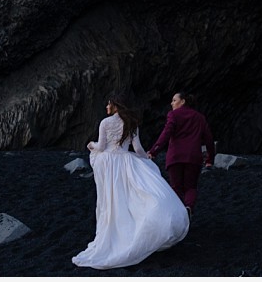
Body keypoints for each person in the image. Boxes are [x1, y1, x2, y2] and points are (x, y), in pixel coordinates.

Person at [72, 93, 190, 270]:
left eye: (108, 104)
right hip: (126, 162)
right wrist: (147, 159)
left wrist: (91, 145)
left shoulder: (106, 122)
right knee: (131, 196)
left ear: (115, 106)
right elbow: (138, 149)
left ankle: (118, 234)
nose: (106, 107)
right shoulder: (132, 123)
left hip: (110, 164)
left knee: (112, 200)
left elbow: (102, 147)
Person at [147, 92, 216, 219]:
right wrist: (210, 159)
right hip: (193, 158)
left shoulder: (173, 115)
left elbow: (166, 133)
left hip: (175, 157)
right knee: (191, 187)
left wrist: (154, 151)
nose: (171, 103)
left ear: (182, 101)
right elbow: (209, 139)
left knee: (176, 188)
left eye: (174, 100)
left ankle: (179, 216)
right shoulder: (199, 117)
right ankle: (189, 207)